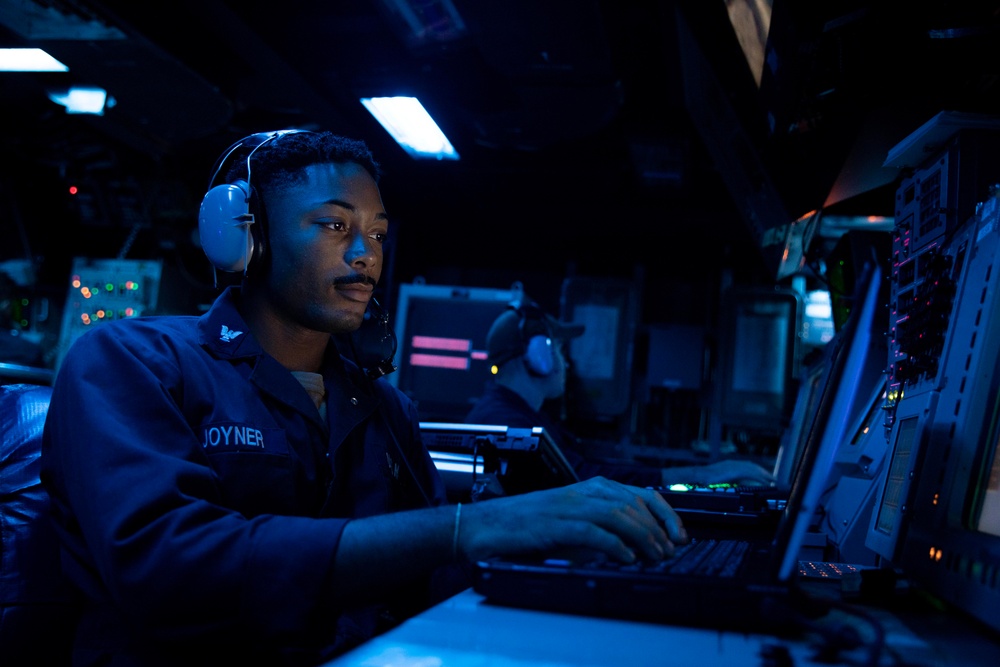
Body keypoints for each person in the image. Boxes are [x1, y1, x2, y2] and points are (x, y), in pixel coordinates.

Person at [39, 129, 688, 666]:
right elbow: (169, 568)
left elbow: (429, 577)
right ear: (245, 236)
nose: (365, 255)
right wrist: (468, 527)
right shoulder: (131, 362)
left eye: (376, 234)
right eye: (333, 225)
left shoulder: (383, 405)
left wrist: (547, 557)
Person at [464, 302, 776, 488]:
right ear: (537, 357)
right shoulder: (505, 424)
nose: (566, 361)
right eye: (557, 348)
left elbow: (586, 462)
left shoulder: (518, 415)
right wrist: (701, 474)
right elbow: (583, 478)